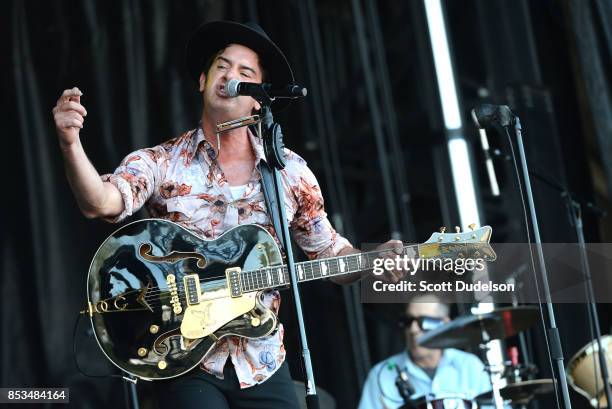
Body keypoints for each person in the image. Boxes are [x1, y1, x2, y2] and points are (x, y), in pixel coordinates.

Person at [52, 21, 404, 409]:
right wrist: (70, 143)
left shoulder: (290, 172)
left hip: (263, 361)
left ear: (258, 99)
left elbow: (330, 256)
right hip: (186, 359)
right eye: (222, 66)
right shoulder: (161, 162)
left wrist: (372, 262)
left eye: (245, 73)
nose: (230, 76)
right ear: (202, 80)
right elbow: (100, 202)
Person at [358, 294, 491, 409]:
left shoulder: (470, 366)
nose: (413, 330)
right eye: (408, 321)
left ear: (445, 324)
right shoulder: (381, 375)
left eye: (423, 321)